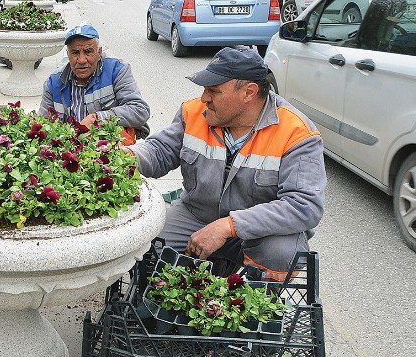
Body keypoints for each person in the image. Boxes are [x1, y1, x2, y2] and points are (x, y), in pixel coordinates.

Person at [128, 46, 326, 280]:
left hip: (260, 230)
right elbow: (161, 150)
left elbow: (304, 206)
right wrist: (124, 156)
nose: (204, 98)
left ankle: (252, 310)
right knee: (146, 242)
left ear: (249, 93)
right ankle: (164, 303)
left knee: (281, 254)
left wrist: (228, 226)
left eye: (214, 90)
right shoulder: (193, 112)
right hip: (197, 215)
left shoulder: (296, 133)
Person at [40, 24, 150, 145]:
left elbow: (140, 110)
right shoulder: (53, 83)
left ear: (99, 52)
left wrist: (98, 118)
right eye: (75, 53)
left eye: (88, 52)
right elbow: (43, 126)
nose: (81, 60)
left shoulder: (117, 70)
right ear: (68, 54)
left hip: (110, 149)